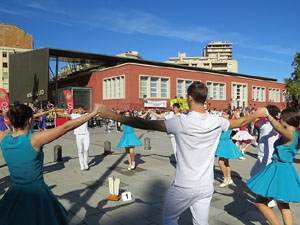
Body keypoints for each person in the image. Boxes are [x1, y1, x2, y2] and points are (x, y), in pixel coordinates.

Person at [98, 81, 265, 225]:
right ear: (205, 99)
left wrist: (109, 114)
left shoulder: (180, 122)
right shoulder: (217, 121)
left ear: (189, 98)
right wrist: (257, 114)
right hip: (206, 185)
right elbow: (242, 121)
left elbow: (144, 123)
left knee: (169, 218)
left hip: (184, 185)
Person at [0, 103, 100, 225]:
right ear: (30, 120)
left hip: (15, 191)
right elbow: (66, 127)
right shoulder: (34, 140)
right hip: (36, 191)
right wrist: (93, 113)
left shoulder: (4, 139)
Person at [247, 108, 300, 225]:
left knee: (260, 202)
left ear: (285, 120)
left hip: (279, 169)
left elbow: (279, 128)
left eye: (280, 118)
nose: (279, 120)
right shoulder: (294, 135)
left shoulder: (291, 135)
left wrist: (268, 116)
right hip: (284, 170)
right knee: (283, 205)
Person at [56, 105, 91, 170]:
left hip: (86, 134)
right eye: (80, 109)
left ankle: (86, 162)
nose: (81, 110)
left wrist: (86, 111)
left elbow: (93, 113)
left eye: (82, 109)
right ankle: (82, 164)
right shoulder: (74, 115)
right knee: (80, 150)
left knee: (86, 149)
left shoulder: (86, 115)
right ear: (77, 110)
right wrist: (56, 111)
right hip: (78, 135)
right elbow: (65, 115)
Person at [215, 109, 242, 187]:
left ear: (228, 115)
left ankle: (226, 178)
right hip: (222, 143)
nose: (222, 115)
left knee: (221, 162)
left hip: (225, 143)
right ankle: (229, 178)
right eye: (222, 114)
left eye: (224, 114)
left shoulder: (229, 123)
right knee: (226, 163)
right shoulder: (223, 122)